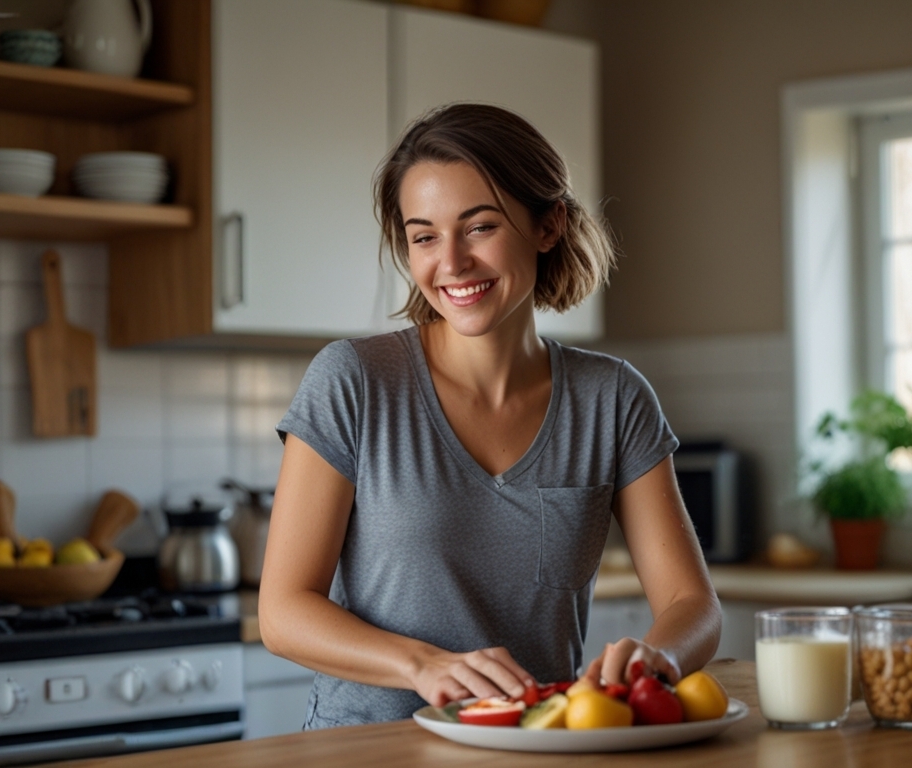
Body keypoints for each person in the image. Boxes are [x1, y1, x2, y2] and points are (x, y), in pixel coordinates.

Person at [260, 103, 721, 729]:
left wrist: (657, 657)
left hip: (535, 746)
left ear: (548, 225)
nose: (450, 263)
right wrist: (423, 665)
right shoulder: (354, 381)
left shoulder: (612, 399)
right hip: (367, 750)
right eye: (424, 236)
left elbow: (692, 603)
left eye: (478, 227)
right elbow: (283, 612)